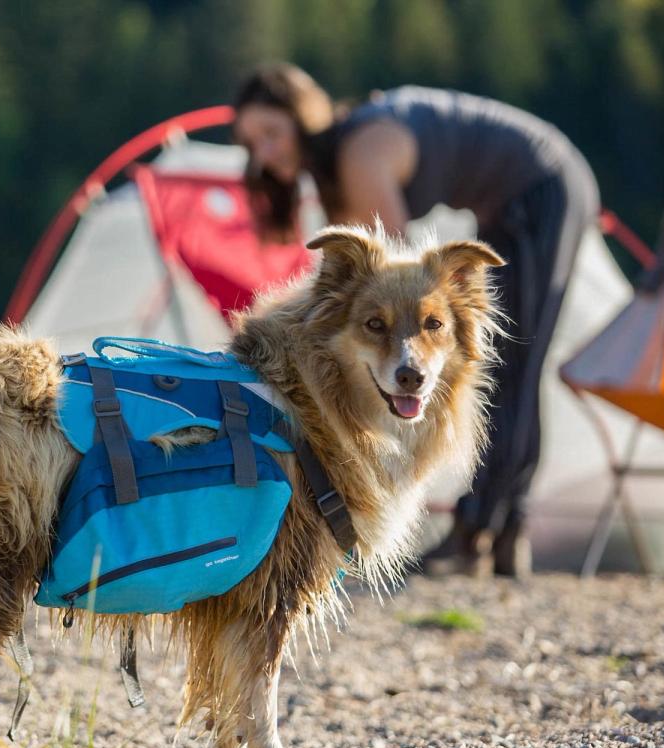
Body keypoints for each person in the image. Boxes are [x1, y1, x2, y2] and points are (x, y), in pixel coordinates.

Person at [232, 63, 599, 577]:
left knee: (514, 363)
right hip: (510, 197)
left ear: (303, 119)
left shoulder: (358, 155)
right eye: (251, 145)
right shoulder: (339, 163)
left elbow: (400, 288)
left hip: (545, 181)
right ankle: (503, 533)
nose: (264, 155)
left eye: (271, 134)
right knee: (516, 367)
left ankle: (478, 533)